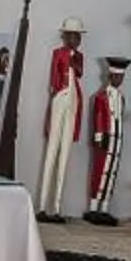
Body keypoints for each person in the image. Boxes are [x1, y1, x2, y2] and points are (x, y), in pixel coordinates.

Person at [34, 17, 86, 219]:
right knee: (52, 150)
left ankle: (56, 208)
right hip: (60, 98)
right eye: (72, 35)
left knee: (65, 152)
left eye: (78, 36)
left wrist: (74, 61)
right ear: (65, 36)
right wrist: (56, 92)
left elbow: (80, 72)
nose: (76, 39)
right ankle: (41, 206)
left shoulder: (79, 56)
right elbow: (54, 76)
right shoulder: (58, 53)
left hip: (74, 100)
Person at [84, 55, 131, 225]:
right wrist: (98, 136)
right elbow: (98, 117)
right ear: (110, 77)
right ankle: (93, 207)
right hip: (104, 138)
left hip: (116, 138)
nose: (119, 80)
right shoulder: (101, 97)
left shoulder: (121, 97)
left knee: (111, 172)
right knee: (100, 172)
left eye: (122, 77)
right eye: (117, 76)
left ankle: (104, 208)